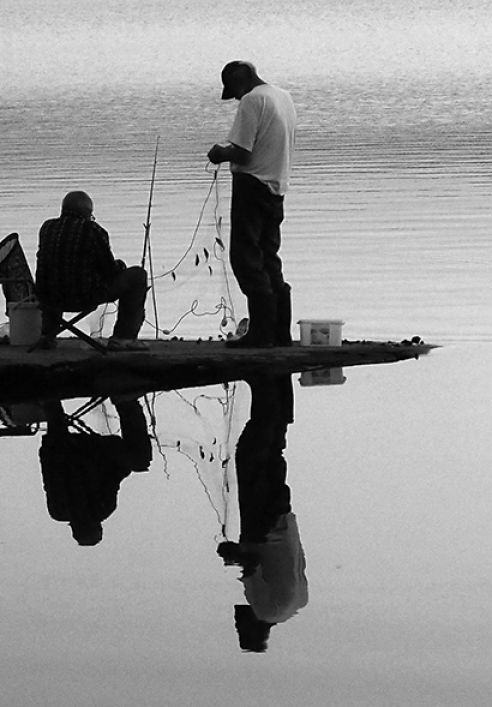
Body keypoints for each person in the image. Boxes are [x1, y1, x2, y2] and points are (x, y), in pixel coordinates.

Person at [207, 61, 297, 348]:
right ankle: (279, 333)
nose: (235, 97)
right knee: (269, 256)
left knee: (246, 259)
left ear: (239, 80)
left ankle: (260, 334)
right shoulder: (282, 97)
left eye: (233, 90)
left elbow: (243, 154)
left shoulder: (252, 100)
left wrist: (219, 154)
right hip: (276, 186)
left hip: (252, 185)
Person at [216, 375, 308, 651]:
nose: (237, 619)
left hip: (283, 517)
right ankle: (264, 382)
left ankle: (279, 380)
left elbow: (295, 561)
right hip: (262, 526)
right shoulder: (265, 611)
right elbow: (253, 562)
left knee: (274, 451)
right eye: (239, 626)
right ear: (251, 629)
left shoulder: (298, 603)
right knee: (250, 453)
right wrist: (230, 554)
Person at [35, 191, 149, 351]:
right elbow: (109, 270)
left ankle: (48, 334)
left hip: (49, 298)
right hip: (84, 297)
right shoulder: (93, 230)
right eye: (91, 215)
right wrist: (120, 266)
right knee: (138, 275)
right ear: (87, 213)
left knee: (56, 276)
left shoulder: (47, 228)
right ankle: (124, 338)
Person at [39, 397, 152, 546]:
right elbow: (49, 474)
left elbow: (112, 478)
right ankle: (51, 404)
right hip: (65, 447)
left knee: (139, 460)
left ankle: (126, 400)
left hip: (84, 451)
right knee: (58, 447)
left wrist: (125, 468)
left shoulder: (101, 509)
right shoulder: (58, 511)